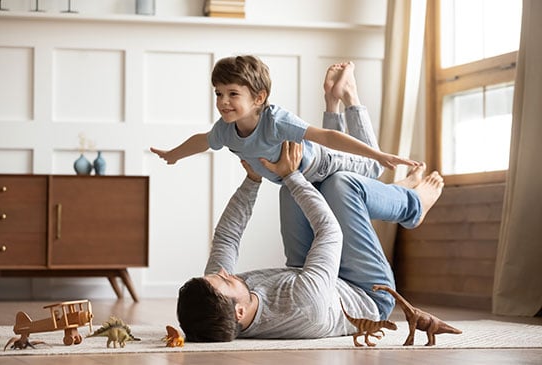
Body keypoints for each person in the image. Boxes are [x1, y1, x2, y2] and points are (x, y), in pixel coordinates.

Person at [176, 141, 444, 342]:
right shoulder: (304, 304)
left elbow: (227, 237)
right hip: (367, 292)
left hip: (308, 274)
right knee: (340, 185)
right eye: (224, 280)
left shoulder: (218, 299)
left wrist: (252, 179)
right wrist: (292, 175)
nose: (224, 273)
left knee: (292, 193)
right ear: (239, 313)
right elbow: (330, 232)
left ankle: (392, 192)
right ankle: (412, 205)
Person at [150, 56, 418, 184]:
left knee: (373, 169)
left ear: (258, 98)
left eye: (233, 94)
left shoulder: (275, 120)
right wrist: (174, 155)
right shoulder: (226, 130)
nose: (223, 101)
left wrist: (378, 154)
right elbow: (202, 141)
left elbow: (326, 137)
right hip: (304, 176)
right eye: (219, 93)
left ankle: (349, 97)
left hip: (323, 164)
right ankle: (333, 99)